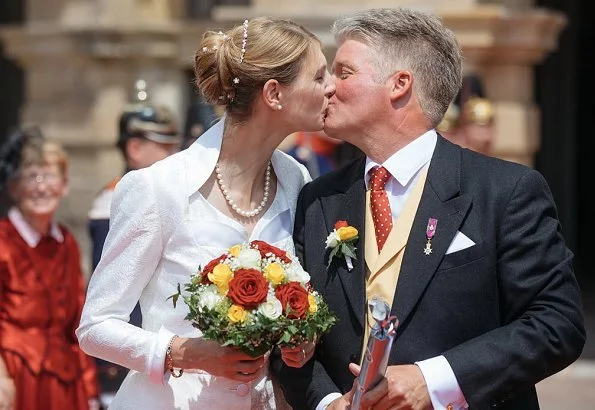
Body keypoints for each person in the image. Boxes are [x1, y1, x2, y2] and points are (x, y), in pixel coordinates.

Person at [271, 8, 585, 410]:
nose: (328, 86)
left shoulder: (505, 191)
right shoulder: (319, 199)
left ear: (400, 84)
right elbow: (291, 335)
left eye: (344, 72)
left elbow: (556, 324)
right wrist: (326, 400)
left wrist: (434, 380)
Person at [76, 17, 335, 410]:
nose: (332, 86)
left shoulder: (295, 177)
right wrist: (185, 352)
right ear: (274, 94)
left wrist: (301, 337)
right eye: (318, 77)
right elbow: (95, 328)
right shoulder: (157, 187)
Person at [87, 102, 181, 407]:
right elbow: (113, 289)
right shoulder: (112, 200)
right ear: (135, 148)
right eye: (162, 146)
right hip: (133, 347)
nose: (172, 155)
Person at [0, 128, 100, 410]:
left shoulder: (67, 243)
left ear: (64, 185)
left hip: (66, 381)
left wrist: (89, 386)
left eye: (50, 175)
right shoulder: (3, 241)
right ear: (14, 188)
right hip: (14, 376)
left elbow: (78, 321)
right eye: (32, 176)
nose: (41, 187)